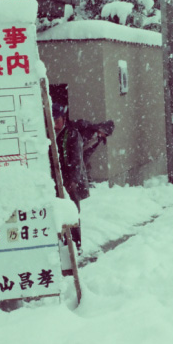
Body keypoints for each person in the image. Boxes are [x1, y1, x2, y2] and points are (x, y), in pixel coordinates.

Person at [51, 103, 113, 248]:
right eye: (53, 120)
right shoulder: (83, 128)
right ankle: (63, 243)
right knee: (59, 212)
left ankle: (75, 244)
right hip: (59, 177)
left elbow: (78, 159)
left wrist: (73, 179)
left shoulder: (73, 135)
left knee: (72, 211)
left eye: (57, 121)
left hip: (70, 178)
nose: (54, 125)